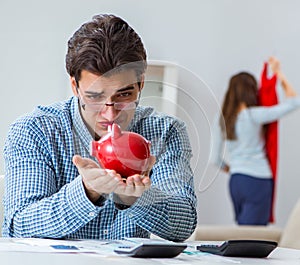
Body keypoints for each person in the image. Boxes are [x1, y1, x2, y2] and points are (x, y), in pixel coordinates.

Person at [2, 14, 197, 241]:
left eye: (124, 94)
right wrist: (88, 191)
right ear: (75, 86)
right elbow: (20, 225)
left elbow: (184, 225)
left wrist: (135, 198)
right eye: (95, 97)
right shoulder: (35, 130)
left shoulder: (166, 131)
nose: (111, 114)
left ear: (141, 83)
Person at [212, 56, 300, 225]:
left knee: (243, 233)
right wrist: (278, 73)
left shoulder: (220, 119)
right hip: (258, 180)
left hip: (236, 182)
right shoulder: (255, 115)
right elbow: (295, 102)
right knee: (252, 238)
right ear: (251, 91)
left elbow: (214, 159)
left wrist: (233, 168)